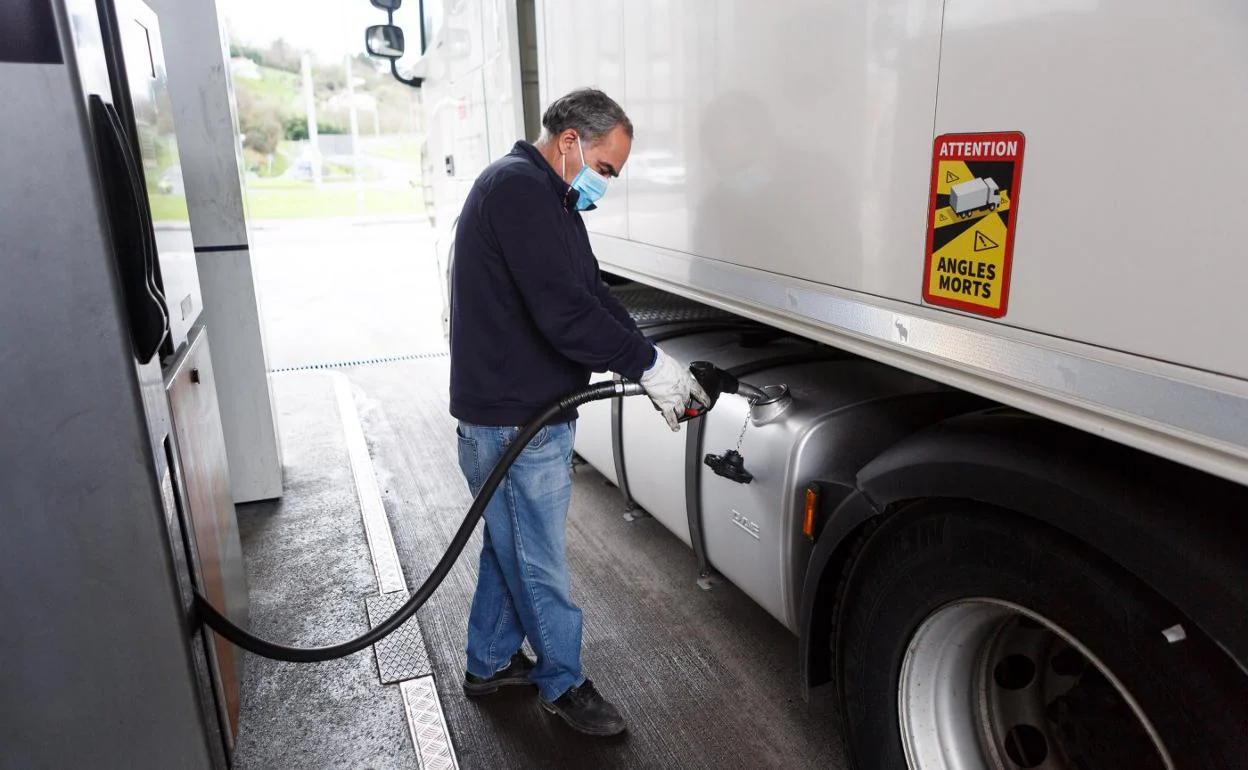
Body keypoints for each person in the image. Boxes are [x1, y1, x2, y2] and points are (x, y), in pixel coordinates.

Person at [447, 88, 708, 737]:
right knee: (537, 560)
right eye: (606, 168)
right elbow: (564, 315)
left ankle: (489, 661)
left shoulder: (550, 199)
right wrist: (646, 367)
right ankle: (563, 681)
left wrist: (656, 361)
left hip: (522, 411)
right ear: (570, 143)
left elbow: (590, 294)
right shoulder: (519, 192)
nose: (605, 184)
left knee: (512, 546)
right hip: (514, 420)